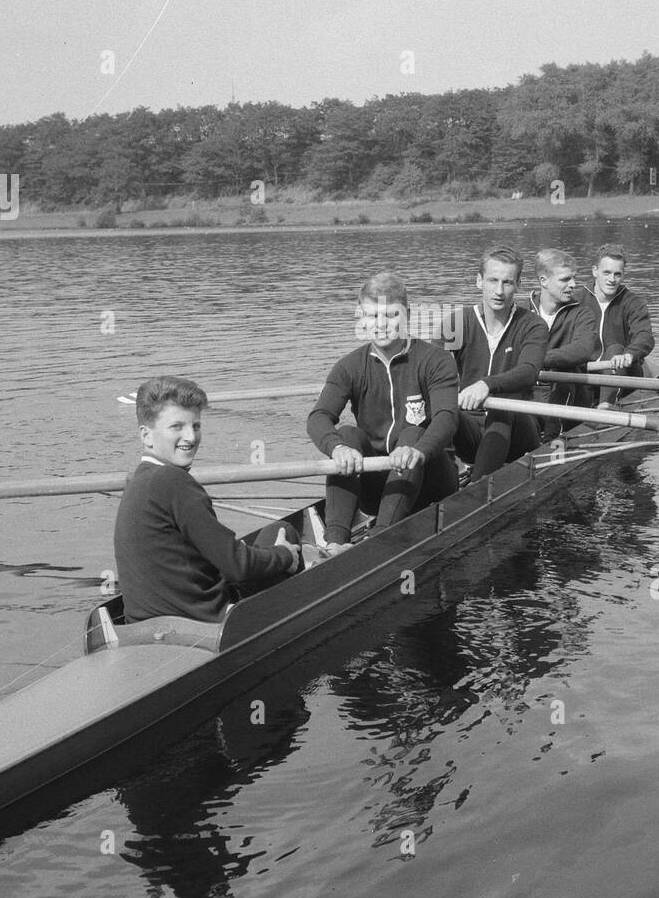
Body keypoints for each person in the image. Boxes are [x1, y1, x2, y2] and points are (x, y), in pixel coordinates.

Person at [99, 375, 301, 653]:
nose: (191, 437)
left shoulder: (136, 480)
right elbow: (236, 566)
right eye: (177, 427)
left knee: (264, 546)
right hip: (202, 629)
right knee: (283, 531)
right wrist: (286, 555)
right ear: (146, 435)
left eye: (196, 426)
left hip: (140, 628)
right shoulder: (173, 481)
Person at [307, 273, 459, 551]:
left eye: (390, 315)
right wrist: (336, 447)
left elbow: (447, 418)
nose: (381, 325)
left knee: (413, 433)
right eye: (372, 316)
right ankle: (334, 544)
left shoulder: (436, 360)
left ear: (408, 315)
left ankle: (379, 542)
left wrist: (419, 450)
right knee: (347, 435)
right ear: (362, 319)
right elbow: (318, 417)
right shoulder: (349, 366)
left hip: (431, 479)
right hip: (380, 485)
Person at [450, 245, 550, 477]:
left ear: (518, 285)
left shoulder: (533, 325)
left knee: (501, 408)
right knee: (441, 412)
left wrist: (486, 384)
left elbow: (528, 371)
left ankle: (476, 489)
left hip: (519, 430)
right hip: (472, 431)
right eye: (492, 281)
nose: (499, 290)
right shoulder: (456, 323)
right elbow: (431, 370)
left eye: (507, 282)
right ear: (479, 281)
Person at [574, 243, 655, 404]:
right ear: (594, 271)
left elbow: (644, 337)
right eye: (606, 273)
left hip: (623, 373)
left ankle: (606, 406)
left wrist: (629, 354)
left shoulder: (634, 303)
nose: (612, 279)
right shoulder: (576, 300)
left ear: (623, 275)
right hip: (585, 375)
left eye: (617, 274)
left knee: (615, 349)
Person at [527, 248, 598, 433]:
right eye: (565, 279)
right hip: (530, 393)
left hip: (570, 397)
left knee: (566, 367)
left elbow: (583, 350)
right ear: (544, 281)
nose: (573, 285)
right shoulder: (521, 313)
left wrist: (536, 359)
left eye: (573, 278)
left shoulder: (582, 313)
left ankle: (553, 436)